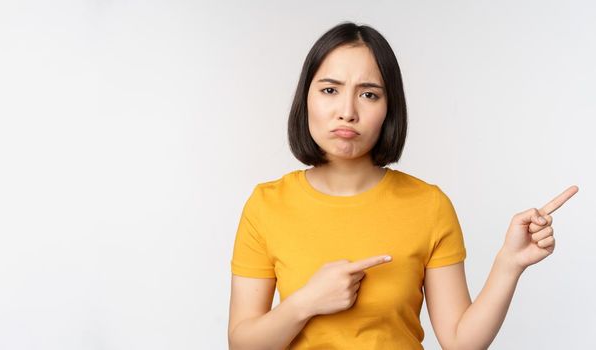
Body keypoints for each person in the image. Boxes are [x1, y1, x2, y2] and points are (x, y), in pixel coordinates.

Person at [227, 21, 578, 349]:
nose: (347, 111)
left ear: (389, 108)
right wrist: (305, 303)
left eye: (369, 95)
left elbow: (460, 341)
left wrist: (509, 263)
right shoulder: (266, 205)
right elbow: (242, 343)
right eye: (330, 89)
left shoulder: (428, 204)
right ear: (306, 99)